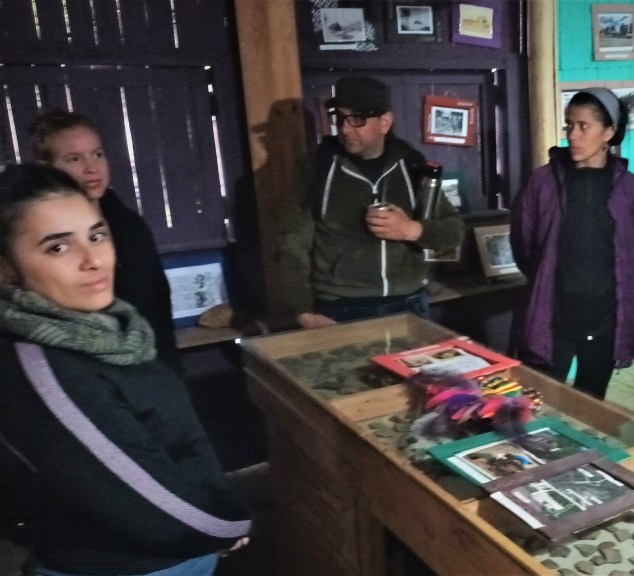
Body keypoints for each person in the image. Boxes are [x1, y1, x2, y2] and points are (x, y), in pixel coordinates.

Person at [0, 164, 251, 576]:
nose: (93, 260)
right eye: (58, 248)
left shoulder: (106, 328)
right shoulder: (45, 369)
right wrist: (222, 527)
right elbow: (136, 498)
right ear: (6, 267)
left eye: (96, 236)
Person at [278, 76, 463, 328]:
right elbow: (292, 242)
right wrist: (302, 311)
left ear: (384, 122)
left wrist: (411, 229)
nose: (344, 129)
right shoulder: (316, 167)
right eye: (340, 118)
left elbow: (454, 231)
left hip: (409, 303)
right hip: (339, 307)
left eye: (357, 119)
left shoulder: (412, 164)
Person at [510, 88, 634, 400]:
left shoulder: (629, 187)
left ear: (609, 132)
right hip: (553, 319)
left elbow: (629, 247)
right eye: (569, 125)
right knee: (539, 404)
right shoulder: (542, 182)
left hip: (605, 320)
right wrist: (547, 276)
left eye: (584, 126)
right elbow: (524, 244)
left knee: (591, 406)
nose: (573, 135)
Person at [28, 110, 182, 374]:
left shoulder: (129, 224)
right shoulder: (40, 235)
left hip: (153, 366)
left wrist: (171, 370)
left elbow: (158, 302)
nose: (92, 167)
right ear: (47, 167)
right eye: (74, 158)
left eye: (97, 154)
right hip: (85, 372)